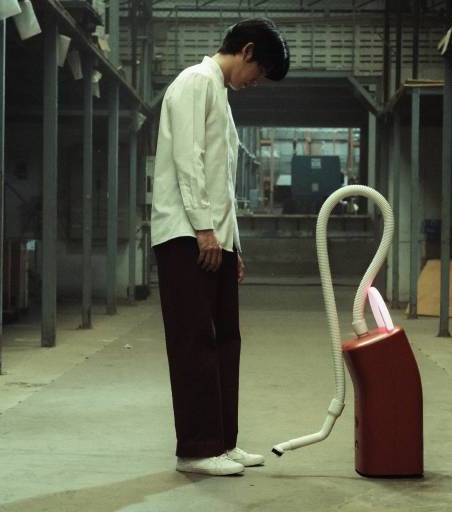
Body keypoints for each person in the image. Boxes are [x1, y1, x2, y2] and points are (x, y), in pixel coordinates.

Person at [151, 18, 290, 476]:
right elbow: (188, 161)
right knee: (195, 342)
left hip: (213, 238)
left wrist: (234, 245)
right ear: (246, 51)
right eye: (260, 72)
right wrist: (205, 229)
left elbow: (222, 182)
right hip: (186, 236)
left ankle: (221, 442)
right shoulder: (195, 82)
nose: (256, 83)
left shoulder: (220, 96)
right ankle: (195, 449)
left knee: (225, 341)